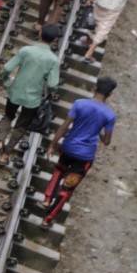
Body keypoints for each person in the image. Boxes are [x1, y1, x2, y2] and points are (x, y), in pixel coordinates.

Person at [42, 77, 117, 228]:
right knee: (68, 188)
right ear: (109, 94)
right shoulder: (110, 115)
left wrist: (52, 145)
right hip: (85, 156)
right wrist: (98, 130)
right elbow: (106, 141)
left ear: (96, 88)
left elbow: (64, 127)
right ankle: (47, 219)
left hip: (68, 148)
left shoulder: (79, 104)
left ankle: (47, 199)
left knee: (59, 170)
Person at [0, 24, 61, 165]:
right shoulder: (53, 60)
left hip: (15, 91)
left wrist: (6, 81)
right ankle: (5, 156)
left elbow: (7, 67)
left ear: (40, 34)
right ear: (55, 40)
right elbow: (53, 84)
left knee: (8, 115)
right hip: (33, 99)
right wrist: (49, 93)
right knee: (21, 126)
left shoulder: (26, 50)